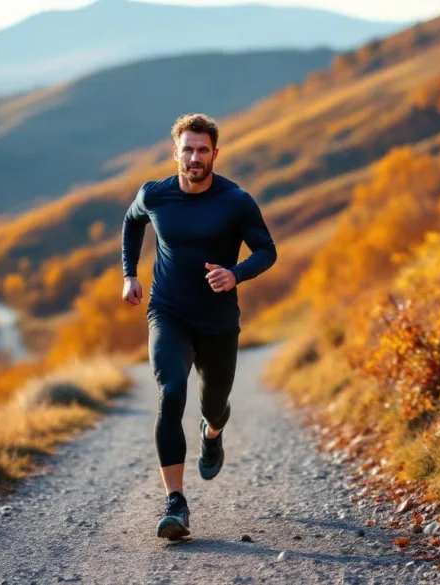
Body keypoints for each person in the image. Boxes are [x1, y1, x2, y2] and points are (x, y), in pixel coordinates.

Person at [120, 113, 277, 541]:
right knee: (171, 393)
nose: (193, 157)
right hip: (167, 313)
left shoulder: (236, 200)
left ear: (215, 154)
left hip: (218, 322)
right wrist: (129, 273)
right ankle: (176, 503)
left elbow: (267, 250)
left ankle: (213, 433)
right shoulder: (154, 195)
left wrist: (236, 274)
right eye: (186, 149)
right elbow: (132, 221)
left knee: (214, 405)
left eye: (202, 150)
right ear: (175, 152)